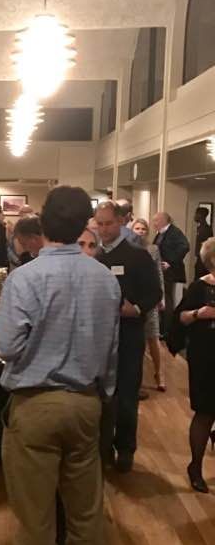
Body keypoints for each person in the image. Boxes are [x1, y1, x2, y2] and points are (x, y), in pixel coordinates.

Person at [0, 185, 121, 545]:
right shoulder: (104, 279)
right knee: (86, 520)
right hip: (87, 403)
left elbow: (6, 345)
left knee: (37, 522)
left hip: (36, 405)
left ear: (44, 223)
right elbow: (111, 350)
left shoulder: (26, 278)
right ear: (85, 223)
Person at [95, 201, 161, 472]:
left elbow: (155, 292)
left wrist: (136, 309)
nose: (104, 229)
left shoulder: (138, 255)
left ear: (120, 222)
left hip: (129, 334)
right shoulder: (94, 256)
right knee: (101, 395)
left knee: (126, 395)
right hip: (99, 336)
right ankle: (102, 449)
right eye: (100, 224)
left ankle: (125, 449)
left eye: (108, 223)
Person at [173, 237, 215, 493]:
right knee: (205, 412)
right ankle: (195, 467)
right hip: (206, 357)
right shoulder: (200, 287)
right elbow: (180, 318)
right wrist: (200, 313)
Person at [131, 218, 166, 392]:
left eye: (143, 228)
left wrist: (162, 297)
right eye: (137, 228)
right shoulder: (128, 249)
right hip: (134, 299)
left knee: (153, 336)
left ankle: (159, 373)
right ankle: (137, 377)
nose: (140, 231)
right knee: (136, 341)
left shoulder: (153, 249)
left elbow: (158, 273)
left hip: (150, 297)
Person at [154, 211, 190, 337]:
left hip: (171, 273)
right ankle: (163, 327)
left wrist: (170, 262)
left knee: (168, 300)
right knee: (164, 298)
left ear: (164, 220)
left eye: (156, 220)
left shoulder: (174, 232)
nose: (154, 223)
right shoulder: (160, 233)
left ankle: (167, 330)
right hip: (162, 272)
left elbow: (185, 246)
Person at [194, 206, 213, 279]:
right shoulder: (199, 228)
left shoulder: (206, 229)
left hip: (203, 260)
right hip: (199, 258)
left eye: (196, 214)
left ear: (200, 215)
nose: (195, 216)